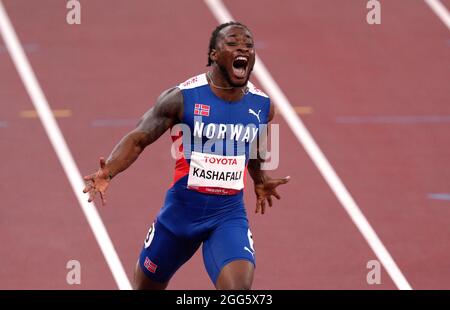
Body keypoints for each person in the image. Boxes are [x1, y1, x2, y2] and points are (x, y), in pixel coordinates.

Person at [83, 21, 289, 290]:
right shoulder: (182, 98)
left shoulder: (262, 105)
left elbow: (255, 144)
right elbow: (139, 138)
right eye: (233, 43)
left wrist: (259, 178)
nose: (243, 48)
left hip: (228, 216)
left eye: (248, 45)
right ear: (214, 55)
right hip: (179, 216)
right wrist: (107, 170)